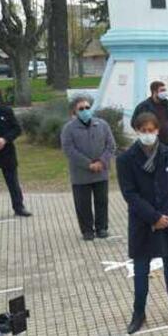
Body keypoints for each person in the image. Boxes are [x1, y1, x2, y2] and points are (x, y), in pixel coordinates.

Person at [116, 112, 168, 335]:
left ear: (157, 130)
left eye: (151, 130)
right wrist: (153, 217)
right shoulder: (126, 159)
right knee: (141, 270)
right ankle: (139, 312)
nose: (148, 134)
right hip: (142, 222)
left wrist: (164, 217)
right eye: (143, 130)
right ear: (136, 131)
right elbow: (130, 193)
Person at [61, 94, 117, 240]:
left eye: (87, 107)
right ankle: (87, 230)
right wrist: (88, 164)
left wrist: (101, 162)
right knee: (82, 204)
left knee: (101, 201)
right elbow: (69, 150)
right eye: (81, 108)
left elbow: (111, 145)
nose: (85, 110)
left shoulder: (102, 125)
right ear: (75, 112)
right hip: (80, 174)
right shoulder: (69, 129)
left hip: (101, 171)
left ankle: (102, 228)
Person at [0, 89, 31, 217]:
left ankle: (19, 207)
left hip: (6, 153)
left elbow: (17, 129)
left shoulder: (6, 111)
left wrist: (5, 139)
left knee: (13, 181)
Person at [131, 81, 168, 149]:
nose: (165, 92)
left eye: (165, 90)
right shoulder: (143, 107)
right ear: (154, 92)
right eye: (162, 90)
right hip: (151, 145)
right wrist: (145, 135)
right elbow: (134, 123)